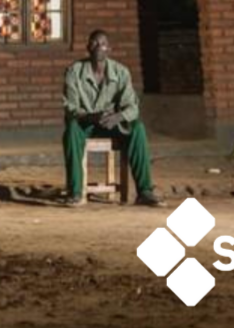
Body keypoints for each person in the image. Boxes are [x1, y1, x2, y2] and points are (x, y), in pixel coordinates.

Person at [61, 29, 164, 207]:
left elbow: (132, 107)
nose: (98, 47)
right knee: (71, 129)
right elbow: (70, 107)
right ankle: (75, 192)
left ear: (109, 49)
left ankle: (145, 191)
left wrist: (119, 117)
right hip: (87, 123)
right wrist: (90, 116)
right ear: (87, 47)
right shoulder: (74, 71)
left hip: (111, 123)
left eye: (103, 44)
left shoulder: (121, 72)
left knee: (137, 128)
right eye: (94, 43)